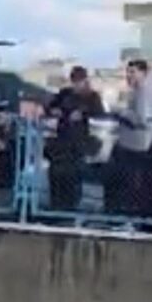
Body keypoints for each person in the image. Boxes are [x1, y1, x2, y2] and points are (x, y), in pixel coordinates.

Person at [46, 66, 104, 211]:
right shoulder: (64, 93)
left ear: (85, 81)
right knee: (56, 176)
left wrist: (83, 114)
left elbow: (99, 114)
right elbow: (49, 106)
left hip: (78, 144)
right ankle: (56, 207)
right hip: (61, 142)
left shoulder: (92, 97)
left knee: (73, 177)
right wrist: (54, 110)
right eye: (74, 81)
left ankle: (71, 208)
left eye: (78, 81)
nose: (76, 84)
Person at [107, 60, 151, 217]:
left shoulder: (142, 92)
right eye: (128, 72)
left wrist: (119, 111)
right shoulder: (135, 92)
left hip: (134, 147)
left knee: (129, 185)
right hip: (128, 144)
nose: (128, 75)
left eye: (132, 72)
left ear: (143, 73)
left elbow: (141, 119)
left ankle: (127, 218)